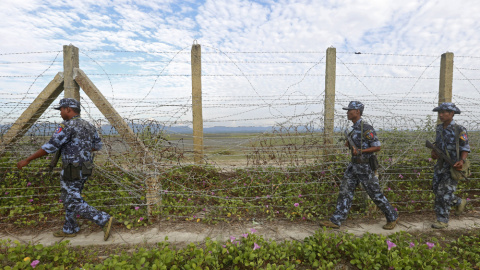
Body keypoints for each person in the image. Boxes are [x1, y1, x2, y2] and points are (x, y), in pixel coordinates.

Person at [17, 98, 113, 240]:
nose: (60, 112)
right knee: (72, 196)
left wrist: (27, 160)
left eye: (61, 109)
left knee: (72, 199)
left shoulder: (66, 126)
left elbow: (50, 147)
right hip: (86, 167)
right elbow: (97, 146)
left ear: (68, 109)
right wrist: (81, 150)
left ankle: (103, 219)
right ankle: (70, 228)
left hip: (72, 168)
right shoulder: (89, 126)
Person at [319, 101, 399, 230]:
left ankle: (392, 217)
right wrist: (350, 144)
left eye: (350, 110)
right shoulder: (353, 128)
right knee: (345, 191)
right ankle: (336, 220)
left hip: (364, 167)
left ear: (357, 112)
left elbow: (377, 146)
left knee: (375, 194)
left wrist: (361, 151)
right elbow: (353, 144)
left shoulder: (366, 128)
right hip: (353, 166)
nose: (347, 112)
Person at [430, 102, 470, 229]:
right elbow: (437, 144)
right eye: (439, 113)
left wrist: (462, 161)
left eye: (443, 112)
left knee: (443, 192)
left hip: (453, 165)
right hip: (440, 164)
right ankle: (458, 201)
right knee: (436, 189)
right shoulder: (439, 128)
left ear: (452, 114)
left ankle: (442, 220)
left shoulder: (459, 129)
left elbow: (465, 147)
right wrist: (434, 152)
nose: (440, 115)